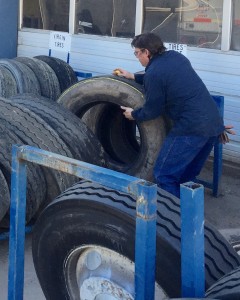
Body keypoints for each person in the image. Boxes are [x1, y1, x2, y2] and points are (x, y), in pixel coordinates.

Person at [114, 32, 235, 198]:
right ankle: (189, 217)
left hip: (190, 129)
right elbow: (165, 78)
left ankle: (173, 217)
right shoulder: (175, 57)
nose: (137, 57)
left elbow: (152, 110)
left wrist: (133, 114)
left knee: (164, 175)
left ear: (146, 52)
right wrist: (133, 76)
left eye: (137, 53)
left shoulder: (154, 74)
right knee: (186, 178)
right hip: (213, 125)